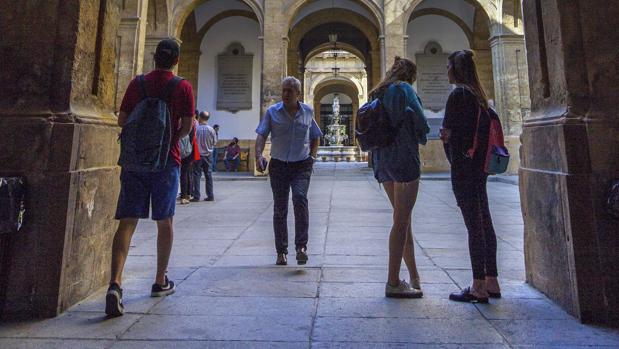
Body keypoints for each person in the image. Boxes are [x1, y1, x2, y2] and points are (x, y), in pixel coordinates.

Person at [106, 38, 194, 317]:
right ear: (177, 60)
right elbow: (188, 126)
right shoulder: (182, 86)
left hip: (134, 163)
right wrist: (171, 139)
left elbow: (122, 119)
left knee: (127, 223)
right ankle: (159, 280)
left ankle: (115, 284)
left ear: (154, 57)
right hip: (167, 161)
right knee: (164, 221)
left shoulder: (137, 83)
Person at [441, 50, 500, 304]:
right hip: (481, 167)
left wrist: (453, 154)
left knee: (473, 225)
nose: (446, 70)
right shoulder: (480, 97)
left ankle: (477, 287)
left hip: (464, 168)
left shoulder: (458, 95)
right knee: (484, 221)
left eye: (448, 66)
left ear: (457, 69)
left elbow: (448, 133)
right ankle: (492, 280)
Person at [370, 57, 430, 298]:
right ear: (410, 76)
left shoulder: (378, 91)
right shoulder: (404, 90)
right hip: (404, 159)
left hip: (382, 162)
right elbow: (423, 125)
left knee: (402, 220)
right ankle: (393, 281)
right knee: (402, 221)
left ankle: (414, 276)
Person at [255, 76, 323, 266]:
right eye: (283, 90)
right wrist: (259, 155)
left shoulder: (308, 111)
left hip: (301, 164)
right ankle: (281, 251)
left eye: (289, 91)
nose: (285, 94)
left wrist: (313, 157)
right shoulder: (272, 112)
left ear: (298, 94)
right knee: (280, 208)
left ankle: (301, 247)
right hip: (278, 165)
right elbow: (261, 134)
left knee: (300, 199)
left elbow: (316, 136)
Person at [193, 111, 217, 201]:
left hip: (198, 155)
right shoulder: (212, 130)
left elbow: (193, 141)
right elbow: (215, 142)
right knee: (208, 175)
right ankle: (210, 195)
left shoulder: (196, 129)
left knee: (196, 175)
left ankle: (196, 196)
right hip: (208, 155)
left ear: (199, 117)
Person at [179, 112, 199, 205]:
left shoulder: (184, 125)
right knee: (188, 173)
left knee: (183, 174)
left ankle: (184, 195)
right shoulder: (193, 125)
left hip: (183, 151)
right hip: (190, 151)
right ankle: (188, 193)